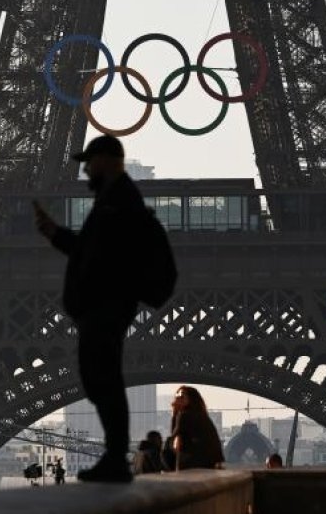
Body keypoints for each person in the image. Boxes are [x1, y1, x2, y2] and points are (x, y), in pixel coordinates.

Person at [33, 135, 146, 483]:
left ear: (111, 161)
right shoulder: (112, 199)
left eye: (90, 161)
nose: (84, 168)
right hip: (105, 303)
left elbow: (100, 253)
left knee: (103, 377)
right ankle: (115, 456)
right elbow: (91, 249)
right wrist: (54, 233)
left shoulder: (118, 201)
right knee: (99, 377)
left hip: (107, 303)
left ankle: (115, 457)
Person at [169, 386, 224, 471]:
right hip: (210, 464)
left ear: (190, 399)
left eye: (181, 397)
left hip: (193, 465)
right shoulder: (202, 416)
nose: (177, 399)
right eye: (177, 397)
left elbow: (174, 440)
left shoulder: (185, 416)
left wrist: (174, 413)